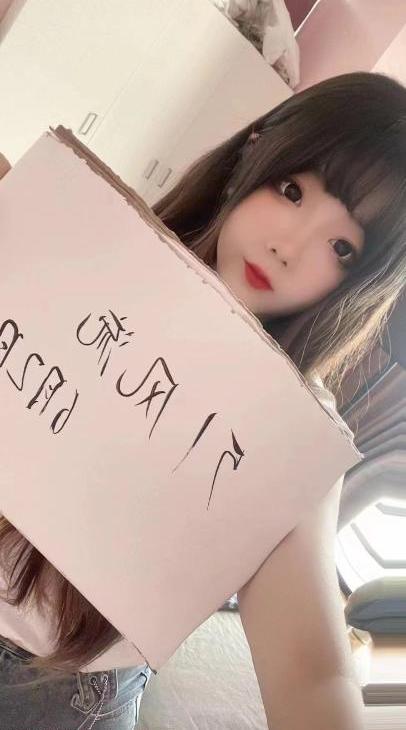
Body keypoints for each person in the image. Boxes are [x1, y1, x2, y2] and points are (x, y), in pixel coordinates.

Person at [0, 70, 405, 729]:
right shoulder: (91, 244)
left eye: (342, 247)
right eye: (292, 191)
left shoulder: (289, 431)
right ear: (254, 152)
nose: (288, 247)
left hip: (56, 684)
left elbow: (313, 671)